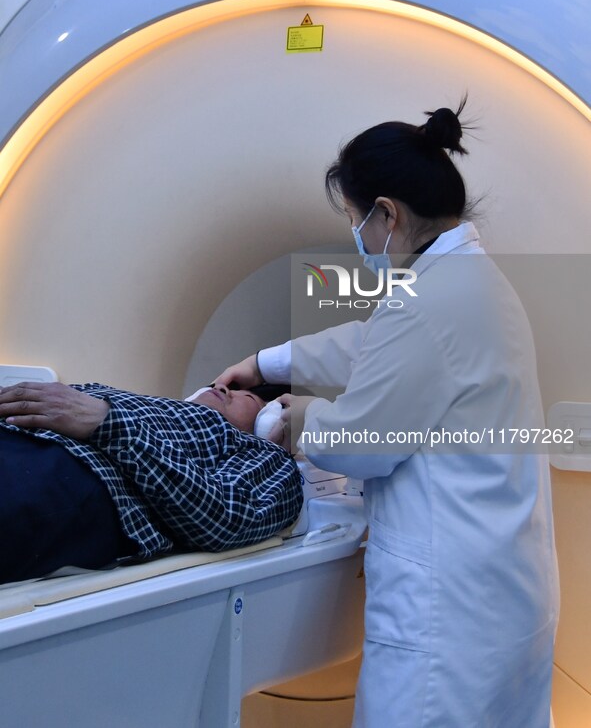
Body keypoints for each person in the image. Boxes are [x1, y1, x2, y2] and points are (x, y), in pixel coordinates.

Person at [216, 102, 559, 727]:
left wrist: (287, 419)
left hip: (448, 612)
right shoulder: (472, 282)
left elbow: (361, 446)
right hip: (507, 588)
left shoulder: (429, 301)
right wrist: (267, 363)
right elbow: (376, 346)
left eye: (355, 221)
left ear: (388, 214)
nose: (359, 239)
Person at [0, 381, 301, 584]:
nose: (222, 387)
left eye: (246, 397)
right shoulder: (143, 401)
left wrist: (107, 423)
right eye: (223, 384)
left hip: (68, 475)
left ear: (270, 420)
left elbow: (226, 521)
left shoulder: (264, 455)